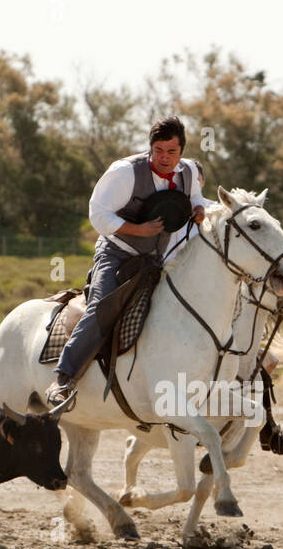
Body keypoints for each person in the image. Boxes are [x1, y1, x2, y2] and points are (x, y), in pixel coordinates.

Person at [47, 116, 208, 409]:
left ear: (182, 152)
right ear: (150, 148)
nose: (164, 158)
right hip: (117, 252)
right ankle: (63, 377)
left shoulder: (188, 172)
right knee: (102, 308)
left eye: (171, 152)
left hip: (157, 258)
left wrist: (199, 208)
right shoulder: (125, 173)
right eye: (158, 150)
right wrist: (137, 229)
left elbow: (197, 197)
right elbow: (98, 215)